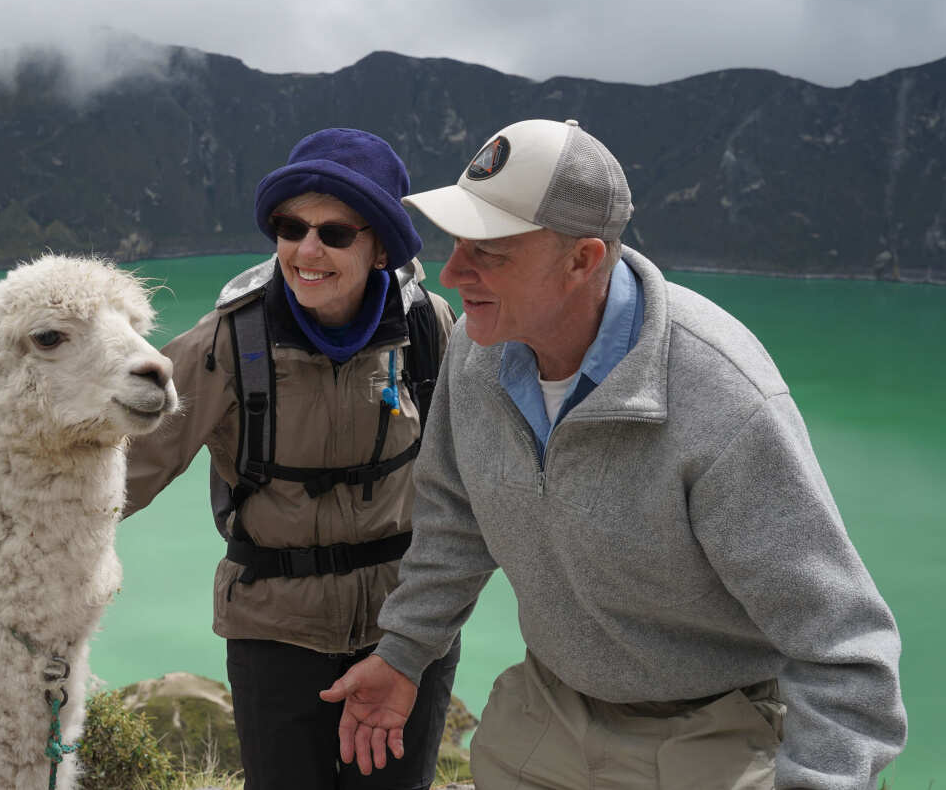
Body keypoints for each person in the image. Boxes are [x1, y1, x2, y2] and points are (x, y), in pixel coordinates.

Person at [320, 119, 906, 789]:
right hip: (549, 708)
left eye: (492, 252)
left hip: (713, 730)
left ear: (583, 259)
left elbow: (843, 648)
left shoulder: (720, 397)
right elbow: (456, 517)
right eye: (458, 243)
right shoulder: (475, 354)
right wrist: (402, 653)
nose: (453, 273)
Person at [124, 128, 461, 790]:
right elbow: (121, 470)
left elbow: (479, 466)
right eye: (290, 226)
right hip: (276, 632)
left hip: (402, 627)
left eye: (334, 233)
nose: (306, 251)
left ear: (380, 244)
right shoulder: (227, 342)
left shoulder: (427, 326)